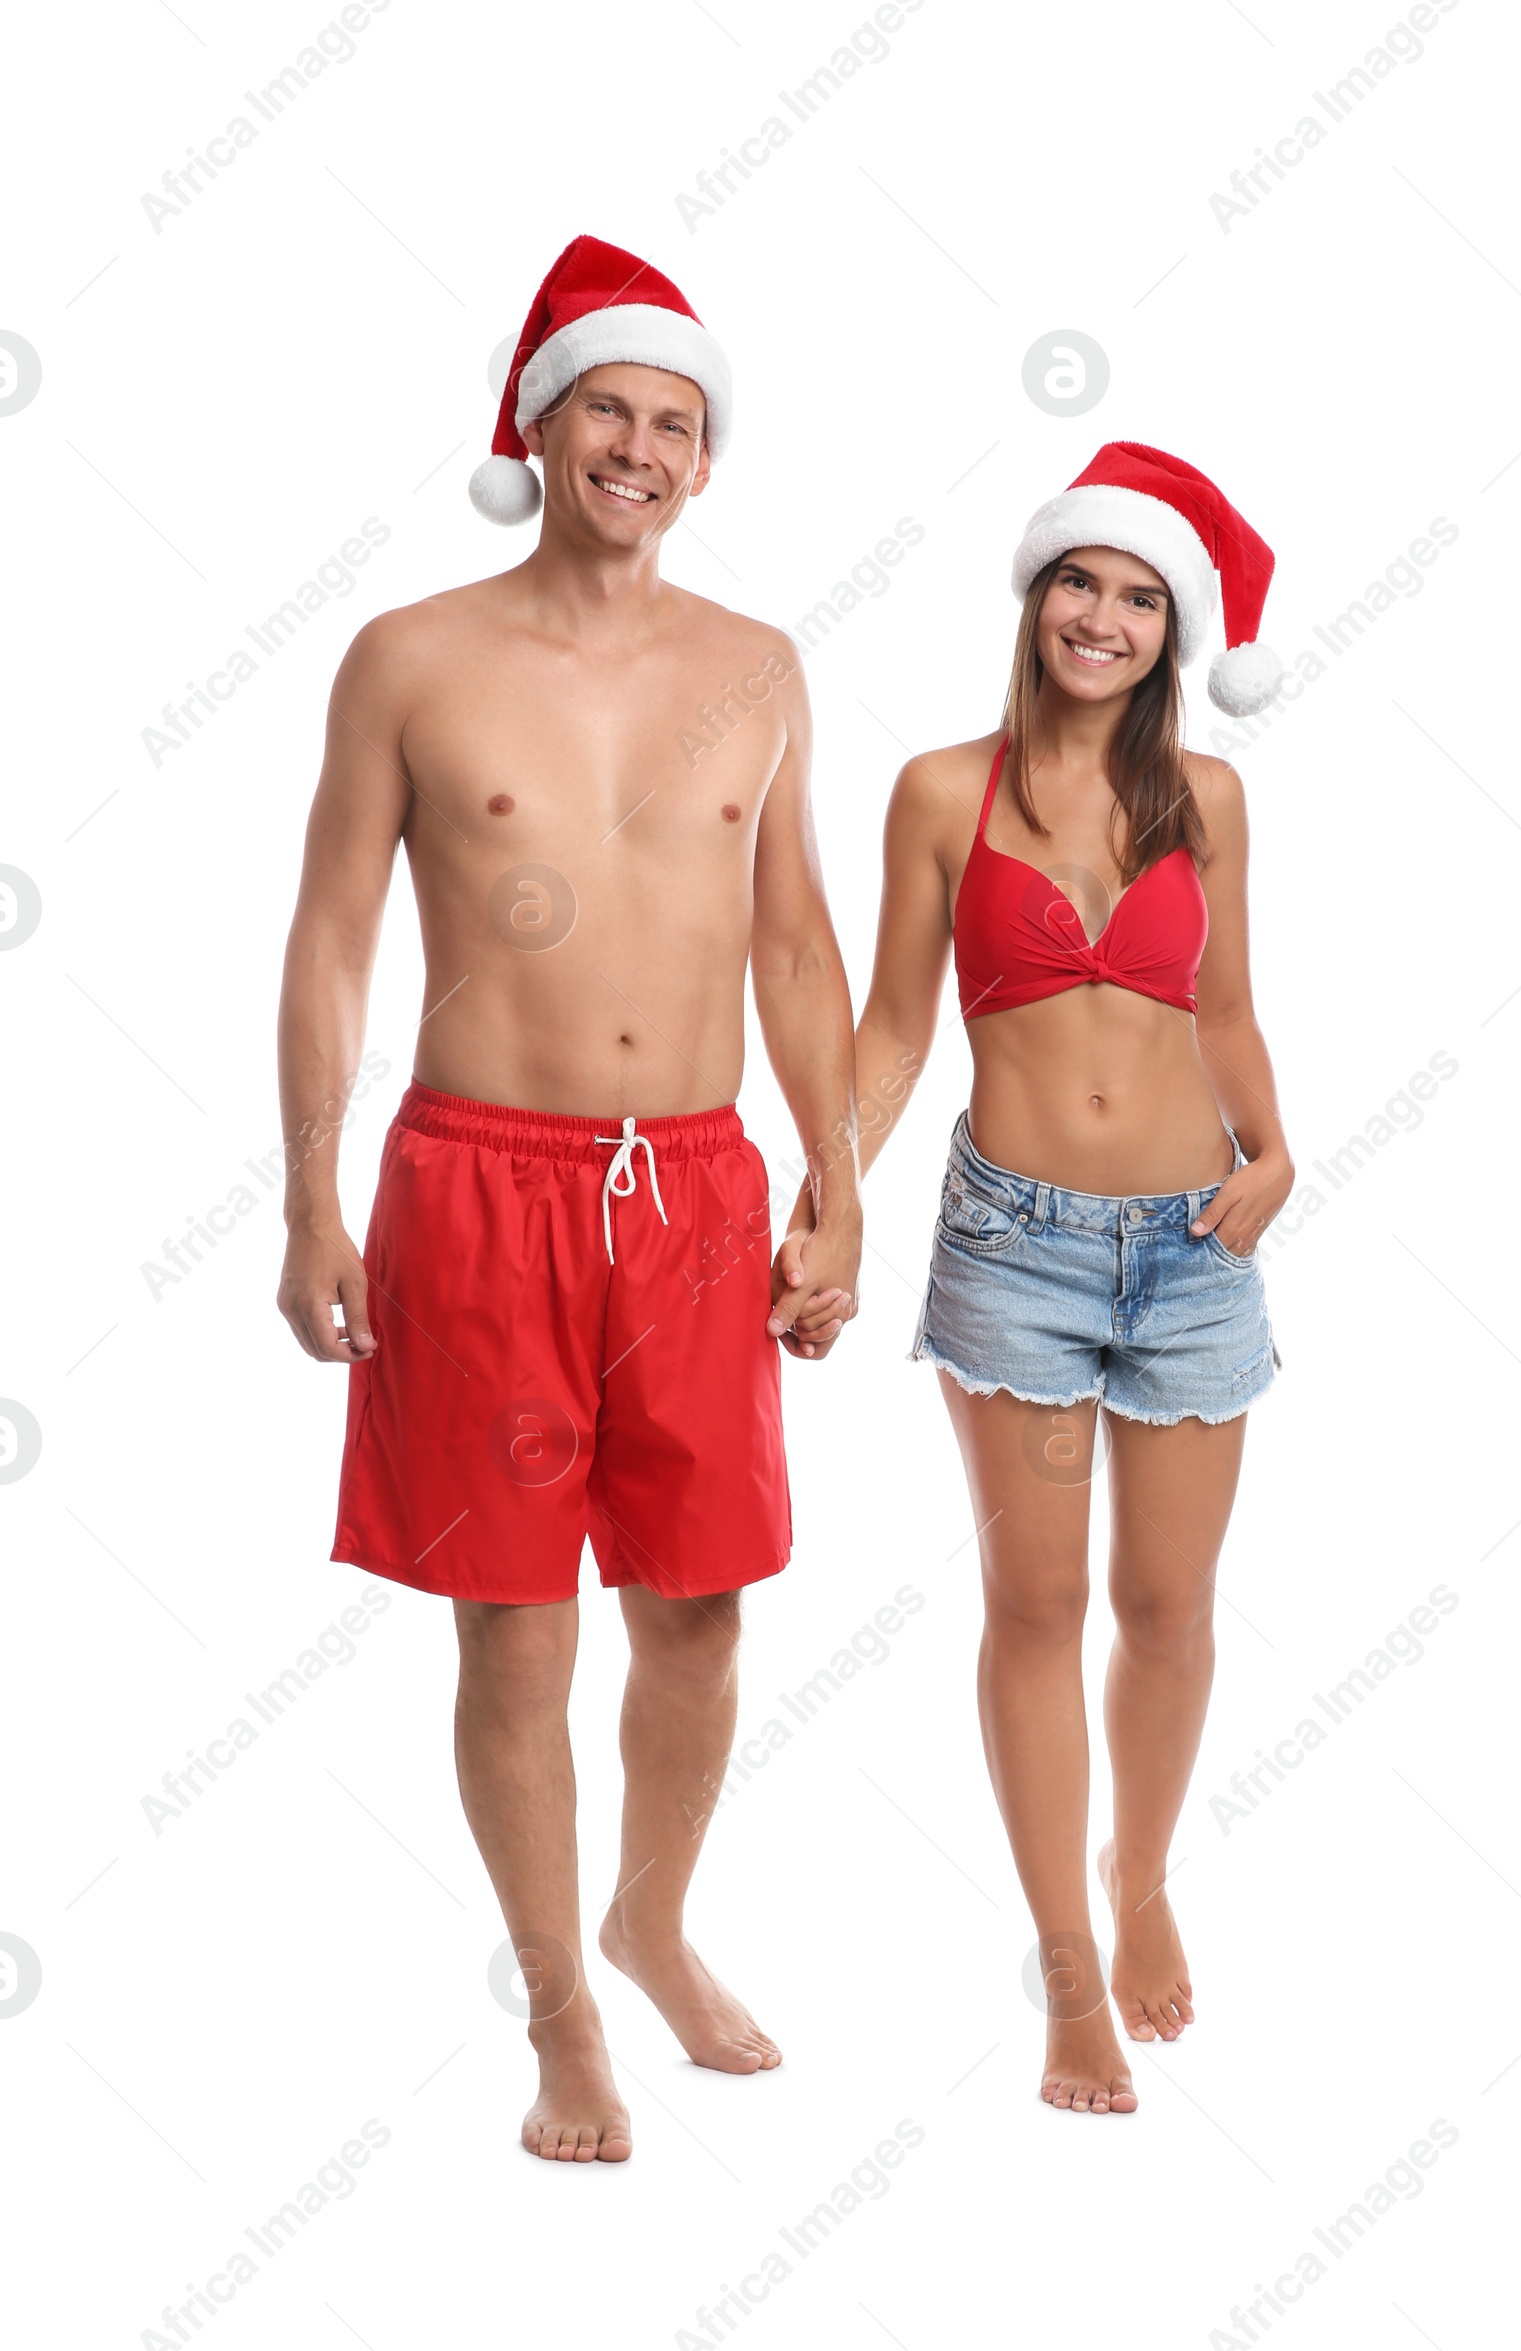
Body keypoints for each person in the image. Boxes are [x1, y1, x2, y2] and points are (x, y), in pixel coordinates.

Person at [276, 235, 860, 2165]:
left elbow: (794, 945)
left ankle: (655, 1918)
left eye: (675, 422)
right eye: (608, 407)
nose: (639, 445)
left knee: (698, 1612)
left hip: (695, 1192)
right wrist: (306, 1196)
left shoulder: (758, 666)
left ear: (708, 462)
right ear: (539, 427)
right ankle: (558, 2009)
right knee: (514, 1628)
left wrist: (837, 1182)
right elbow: (333, 940)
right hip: (478, 1183)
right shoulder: (413, 658)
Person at [787, 442, 1293, 2114]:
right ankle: (1066, 1968)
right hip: (1017, 1246)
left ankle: (1142, 1874)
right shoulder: (945, 790)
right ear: (1035, 593)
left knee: (1169, 1610)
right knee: (1039, 1606)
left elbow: (1220, 1013)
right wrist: (833, 1193)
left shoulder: (1207, 800)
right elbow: (891, 1026)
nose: (1105, 616)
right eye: (1083, 580)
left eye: (1144, 598)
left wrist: (1274, 1150)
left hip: (1193, 1248)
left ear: (1174, 631)